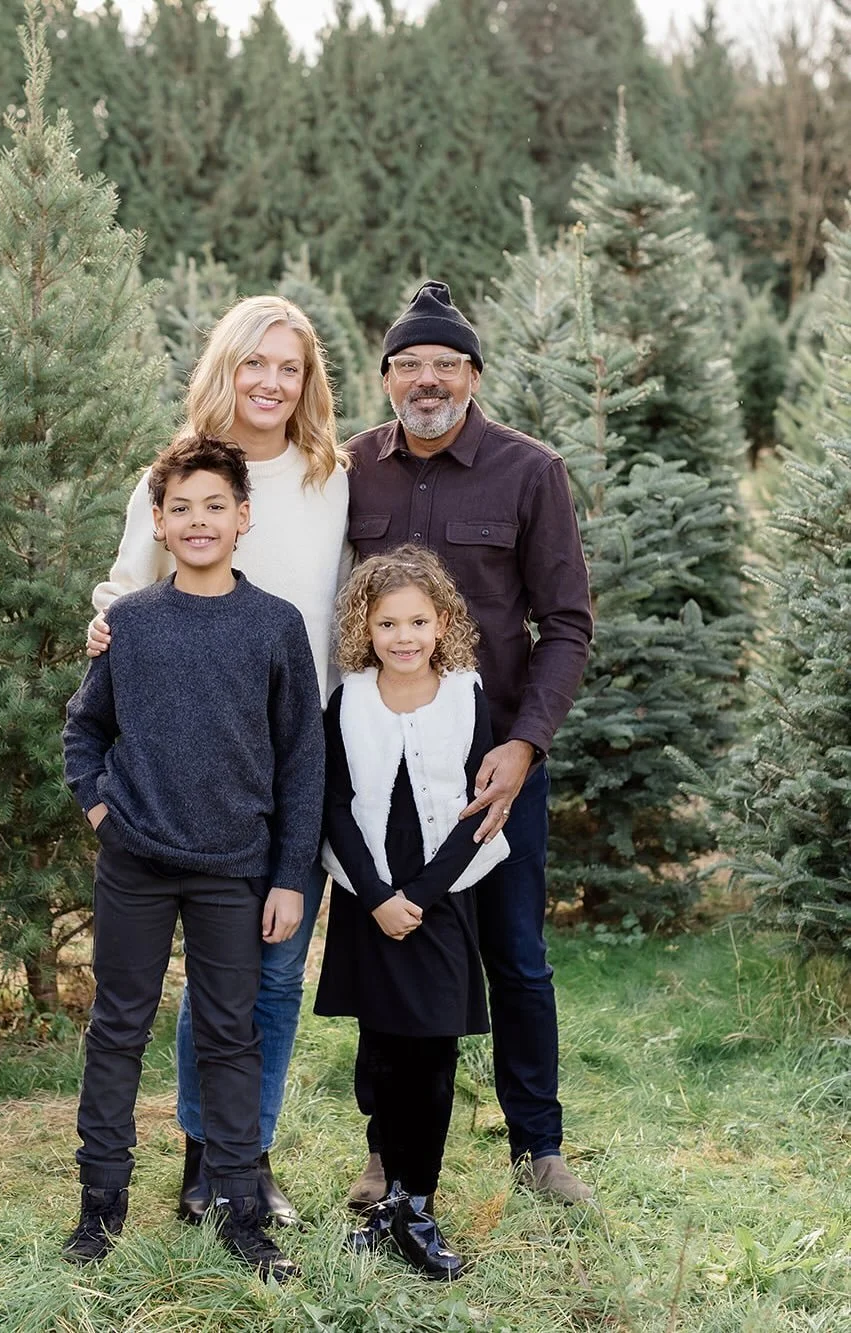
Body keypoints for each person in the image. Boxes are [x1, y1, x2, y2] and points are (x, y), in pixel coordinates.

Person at [85, 295, 351, 1225]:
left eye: (289, 367)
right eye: (254, 363)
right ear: (225, 368)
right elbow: (126, 591)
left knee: (270, 972)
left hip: (291, 758)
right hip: (189, 769)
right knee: (213, 979)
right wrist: (102, 631)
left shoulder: (330, 478)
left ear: (307, 381)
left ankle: (248, 1158)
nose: (271, 382)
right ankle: (204, 1158)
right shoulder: (177, 475)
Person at [343, 281, 595, 1207]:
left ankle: (539, 1147)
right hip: (385, 763)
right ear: (385, 378)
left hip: (494, 765)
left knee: (516, 953)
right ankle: (385, 1149)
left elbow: (566, 623)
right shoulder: (349, 468)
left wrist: (524, 744)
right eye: (408, 364)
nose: (427, 380)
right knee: (395, 947)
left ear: (474, 375)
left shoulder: (530, 471)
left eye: (445, 364)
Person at [61, 436, 323, 1278]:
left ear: (243, 517)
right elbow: (84, 728)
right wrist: (101, 809)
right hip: (135, 862)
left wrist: (289, 875)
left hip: (232, 867)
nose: (198, 520)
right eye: (181, 508)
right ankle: (100, 1206)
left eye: (215, 505)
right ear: (158, 522)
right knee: (118, 1028)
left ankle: (240, 1210)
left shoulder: (274, 626)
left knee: (229, 1035)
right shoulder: (132, 624)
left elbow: (302, 761)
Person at [316, 546, 509, 1280]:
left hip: (440, 896)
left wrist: (421, 897)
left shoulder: (466, 695)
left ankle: (417, 1206)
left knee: (430, 1054)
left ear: (443, 624)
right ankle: (387, 1201)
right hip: (369, 896)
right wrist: (376, 897)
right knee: (381, 1053)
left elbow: (480, 808)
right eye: (388, 623)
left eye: (418, 622)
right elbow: (335, 805)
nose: (404, 636)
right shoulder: (349, 699)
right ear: (364, 628)